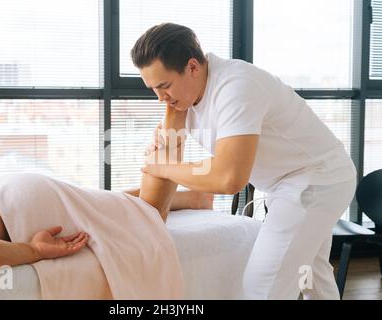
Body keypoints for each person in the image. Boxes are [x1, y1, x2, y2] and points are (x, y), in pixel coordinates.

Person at [131, 22, 357, 299]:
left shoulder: (236, 86)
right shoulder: (182, 100)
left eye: (164, 86)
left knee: (263, 285)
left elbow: (229, 178)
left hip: (316, 180)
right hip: (286, 184)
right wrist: (171, 124)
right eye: (153, 89)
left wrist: (163, 166)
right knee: (310, 275)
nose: (160, 98)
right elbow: (158, 187)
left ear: (192, 67)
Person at [0, 172, 212, 277]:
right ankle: (192, 197)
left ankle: (175, 125)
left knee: (144, 218)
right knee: (102, 207)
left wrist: (33, 250)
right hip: (5, 196)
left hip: (19, 213)